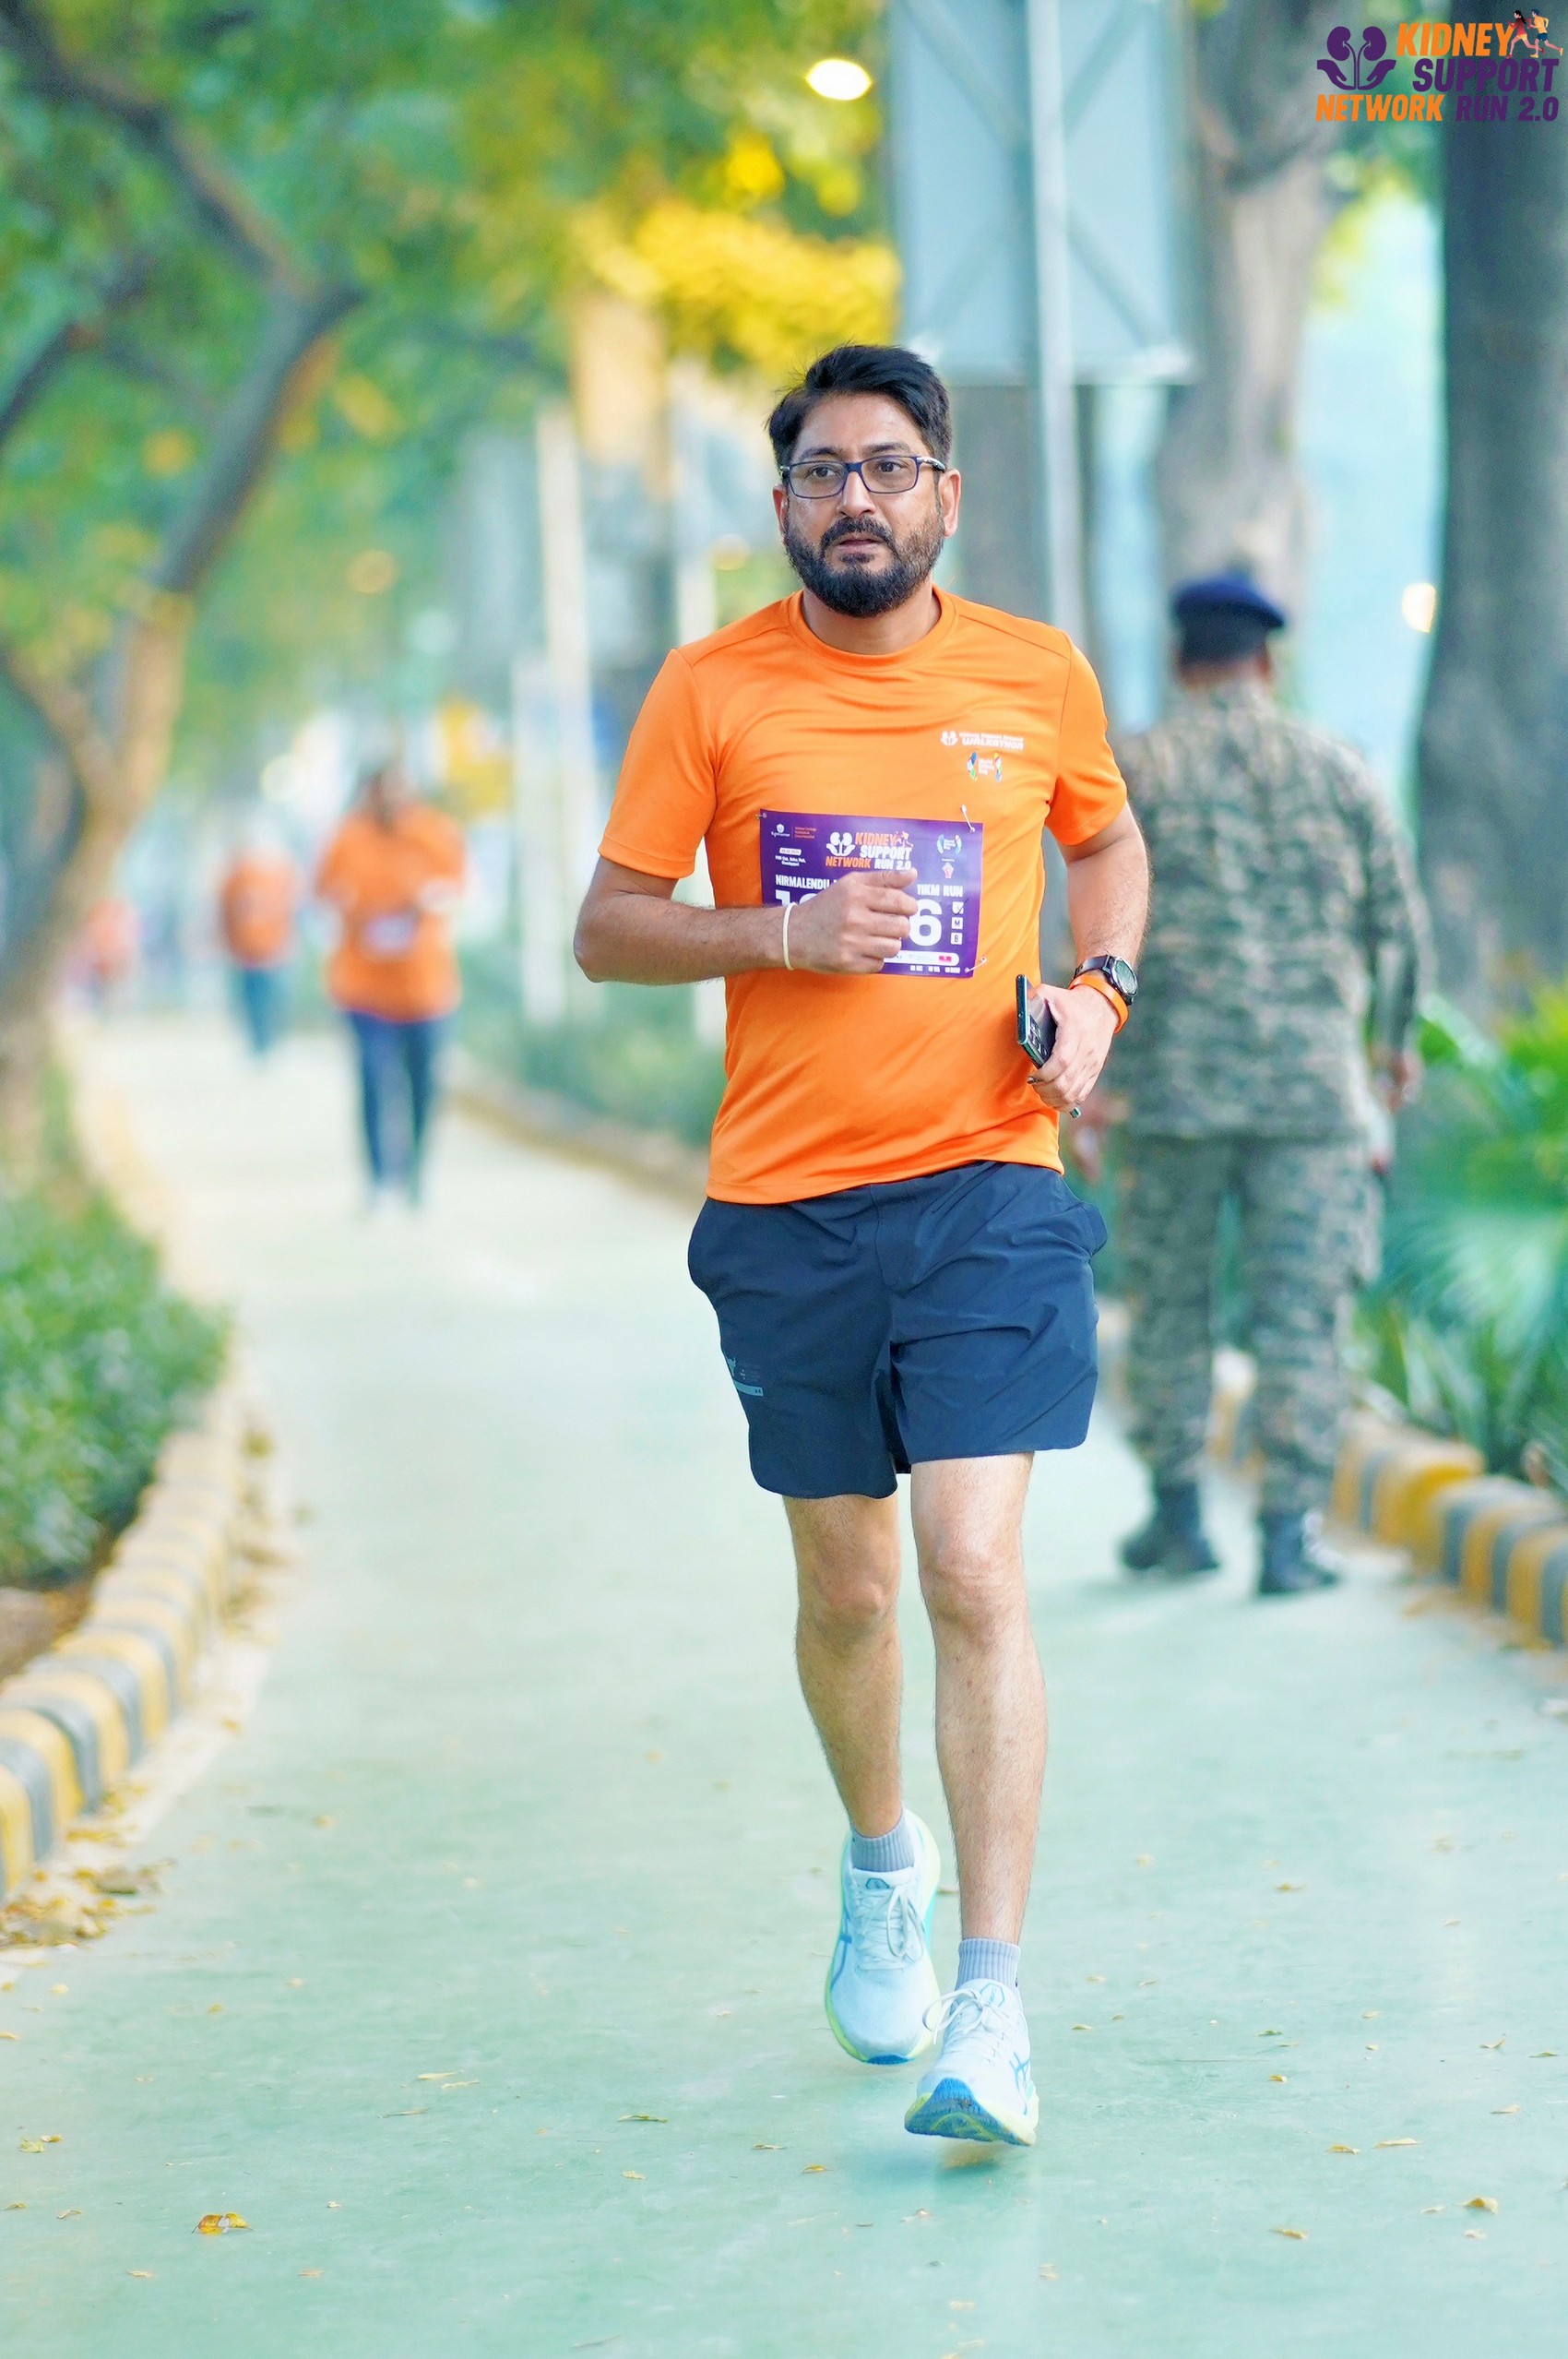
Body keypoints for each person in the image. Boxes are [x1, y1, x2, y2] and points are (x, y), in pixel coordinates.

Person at [574, 343, 1147, 2148]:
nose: (856, 500)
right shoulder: (714, 686)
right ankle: (882, 1861)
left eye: (889, 469)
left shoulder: (1034, 672)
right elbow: (607, 925)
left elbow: (1109, 844)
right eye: (824, 472)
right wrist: (779, 932)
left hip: (989, 1179)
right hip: (788, 1206)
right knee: (851, 1588)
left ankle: (992, 2004)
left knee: (971, 1566)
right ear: (783, 504)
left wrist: (1099, 992)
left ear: (943, 495)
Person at [1111, 573, 1431, 1596]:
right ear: (1268, 661)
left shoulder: (1136, 772)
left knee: (1170, 1302)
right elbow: (1399, 926)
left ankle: (1177, 1516)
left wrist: (1090, 1075)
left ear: (1179, 660)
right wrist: (1390, 1045)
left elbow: (1082, 921)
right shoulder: (1338, 768)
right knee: (1302, 1316)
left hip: (1169, 1094)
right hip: (1311, 1099)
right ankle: (1288, 1535)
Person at [316, 761, 465, 1207]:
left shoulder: (434, 833)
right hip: (365, 989)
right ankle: (378, 1177)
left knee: (424, 1086)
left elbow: (457, 887)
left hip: (425, 989)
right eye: (382, 794)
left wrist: (425, 901)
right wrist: (355, 907)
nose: (392, 804)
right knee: (373, 1080)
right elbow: (324, 891)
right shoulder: (347, 838)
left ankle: (416, 1168)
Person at [219, 821, 298, 1056]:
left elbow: (290, 908)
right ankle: (260, 1040)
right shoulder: (237, 876)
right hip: (249, 948)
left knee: (269, 994)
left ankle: (267, 1038)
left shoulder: (278, 874)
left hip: (271, 947)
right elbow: (226, 910)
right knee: (254, 995)